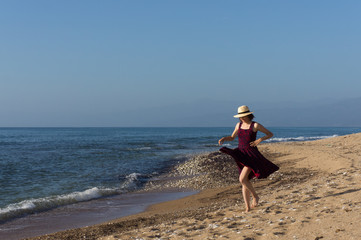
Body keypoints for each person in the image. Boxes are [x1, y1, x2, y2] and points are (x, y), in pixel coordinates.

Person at [218, 105, 279, 212]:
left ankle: (255, 196)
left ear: (248, 115)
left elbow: (270, 134)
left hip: (251, 155)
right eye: (240, 116)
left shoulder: (255, 125)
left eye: (243, 116)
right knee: (245, 181)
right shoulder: (238, 125)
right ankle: (247, 207)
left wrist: (259, 140)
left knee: (242, 179)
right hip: (241, 154)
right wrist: (224, 138)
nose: (241, 118)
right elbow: (232, 137)